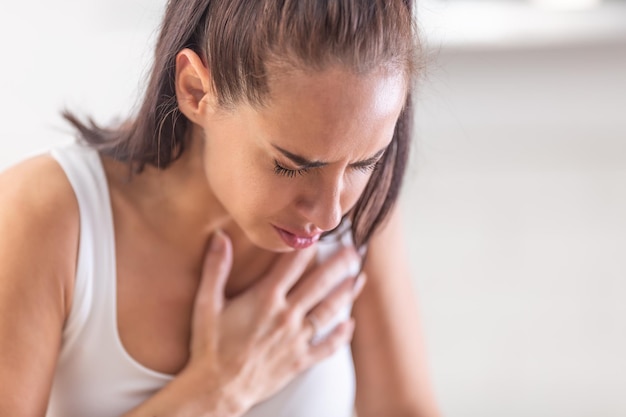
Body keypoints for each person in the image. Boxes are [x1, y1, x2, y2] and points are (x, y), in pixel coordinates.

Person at [0, 0, 441, 416]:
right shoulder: (45, 215)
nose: (329, 217)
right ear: (196, 91)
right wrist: (219, 390)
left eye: (364, 162)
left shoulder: (362, 212)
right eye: (292, 165)